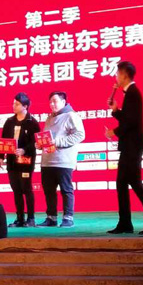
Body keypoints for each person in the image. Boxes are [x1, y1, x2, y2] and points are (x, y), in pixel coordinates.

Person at [106, 61, 143, 235]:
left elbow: (131, 122)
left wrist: (114, 131)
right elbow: (128, 118)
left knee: (135, 183)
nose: (116, 77)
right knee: (123, 183)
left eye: (117, 74)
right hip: (130, 146)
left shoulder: (133, 93)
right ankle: (125, 222)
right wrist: (116, 110)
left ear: (124, 75)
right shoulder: (130, 93)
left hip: (132, 146)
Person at [38, 91, 85, 228]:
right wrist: (40, 144)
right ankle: (51, 218)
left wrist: (57, 142)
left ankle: (68, 218)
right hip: (47, 161)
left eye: (55, 101)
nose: (52, 104)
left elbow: (80, 135)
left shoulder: (71, 115)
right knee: (49, 191)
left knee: (66, 190)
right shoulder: (49, 118)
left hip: (64, 160)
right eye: (50, 102)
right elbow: (48, 139)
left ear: (63, 102)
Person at [0, 93, 41, 227]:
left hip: (26, 161)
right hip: (12, 161)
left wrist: (24, 150)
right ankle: (20, 218)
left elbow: (35, 142)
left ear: (25, 106)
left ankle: (31, 218)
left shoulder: (32, 122)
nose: (14, 106)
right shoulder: (9, 122)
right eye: (13, 103)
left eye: (17, 104)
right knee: (16, 189)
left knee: (26, 188)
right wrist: (0, 157)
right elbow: (3, 141)